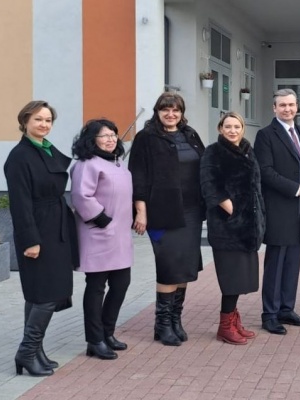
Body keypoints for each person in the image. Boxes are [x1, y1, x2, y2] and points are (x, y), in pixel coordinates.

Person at [4, 101, 78, 376]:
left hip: (55, 228)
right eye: (38, 119)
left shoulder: (45, 149)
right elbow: (20, 203)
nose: (44, 124)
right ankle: (26, 352)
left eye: (48, 120)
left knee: (38, 294)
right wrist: (30, 240)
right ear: (25, 121)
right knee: (46, 293)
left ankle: (35, 350)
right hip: (38, 230)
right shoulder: (20, 156)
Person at [129, 92, 205, 346]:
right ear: (157, 112)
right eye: (165, 110)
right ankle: (162, 325)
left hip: (191, 212)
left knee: (184, 266)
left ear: (181, 113)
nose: (171, 114)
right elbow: (137, 176)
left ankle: (175, 320)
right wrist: (140, 211)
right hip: (161, 213)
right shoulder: (146, 138)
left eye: (175, 110)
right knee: (168, 266)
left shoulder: (190, 135)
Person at [200, 112, 265, 345]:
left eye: (237, 126)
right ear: (220, 128)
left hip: (248, 228)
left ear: (242, 128)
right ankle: (225, 327)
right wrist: (234, 211)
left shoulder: (247, 149)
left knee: (241, 279)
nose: (232, 131)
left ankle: (234, 320)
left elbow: (255, 185)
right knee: (231, 280)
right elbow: (211, 187)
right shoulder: (213, 152)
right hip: (227, 228)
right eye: (228, 126)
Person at [70, 119, 133, 359]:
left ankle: (108, 333)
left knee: (121, 284)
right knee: (96, 287)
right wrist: (101, 219)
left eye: (113, 135)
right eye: (104, 135)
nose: (111, 139)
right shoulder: (87, 164)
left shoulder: (118, 163)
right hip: (98, 234)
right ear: (91, 139)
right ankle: (95, 340)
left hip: (120, 236)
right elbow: (81, 195)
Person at [254, 89, 300, 335]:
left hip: (299, 210)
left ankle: (286, 309)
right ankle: (269, 314)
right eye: (282, 105)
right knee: (276, 265)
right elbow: (265, 171)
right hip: (279, 208)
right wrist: (295, 188)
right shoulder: (265, 135)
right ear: (274, 108)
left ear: (297, 107)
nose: (287, 109)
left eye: (291, 105)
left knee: (292, 264)